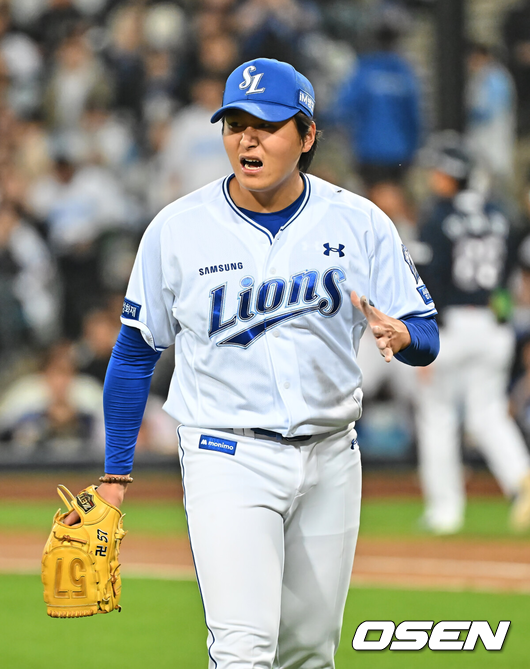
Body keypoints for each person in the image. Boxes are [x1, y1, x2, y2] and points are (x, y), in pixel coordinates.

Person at [63, 58, 439, 668]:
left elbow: (425, 333)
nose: (248, 140)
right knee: (243, 650)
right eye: (235, 125)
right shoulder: (177, 228)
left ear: (307, 135)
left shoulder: (359, 221)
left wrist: (406, 337)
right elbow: (133, 354)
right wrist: (114, 477)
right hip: (225, 455)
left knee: (310, 653)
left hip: (331, 457)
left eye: (266, 125)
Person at [415, 134, 530, 535]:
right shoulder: (500, 214)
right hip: (494, 325)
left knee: (437, 416)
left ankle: (444, 511)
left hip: (450, 327)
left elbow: (427, 280)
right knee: (489, 414)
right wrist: (502, 312)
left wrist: (422, 335)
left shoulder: (437, 217)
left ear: (452, 175)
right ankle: (522, 480)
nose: (433, 177)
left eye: (439, 171)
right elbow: (511, 274)